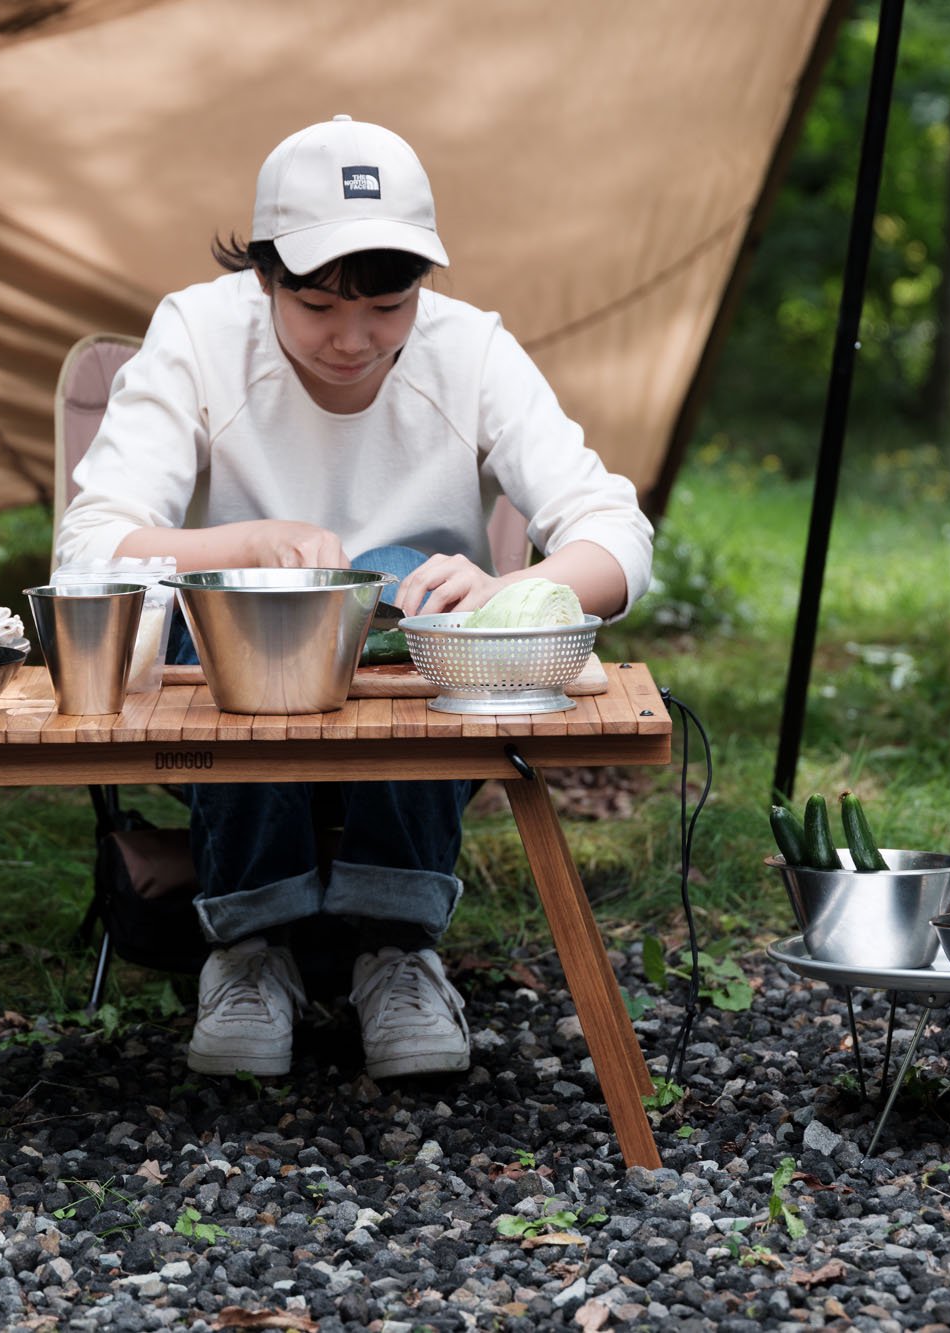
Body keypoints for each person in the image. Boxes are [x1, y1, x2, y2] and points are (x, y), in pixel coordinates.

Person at [57, 114, 653, 1080]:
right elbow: (90, 549)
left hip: (420, 687)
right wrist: (245, 548)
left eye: (387, 304)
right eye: (319, 305)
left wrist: (507, 588)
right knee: (256, 653)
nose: (352, 339)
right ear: (264, 277)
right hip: (235, 683)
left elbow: (616, 534)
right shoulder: (199, 334)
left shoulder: (470, 350)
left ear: (423, 284)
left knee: (426, 636)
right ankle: (250, 950)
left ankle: (396, 950)